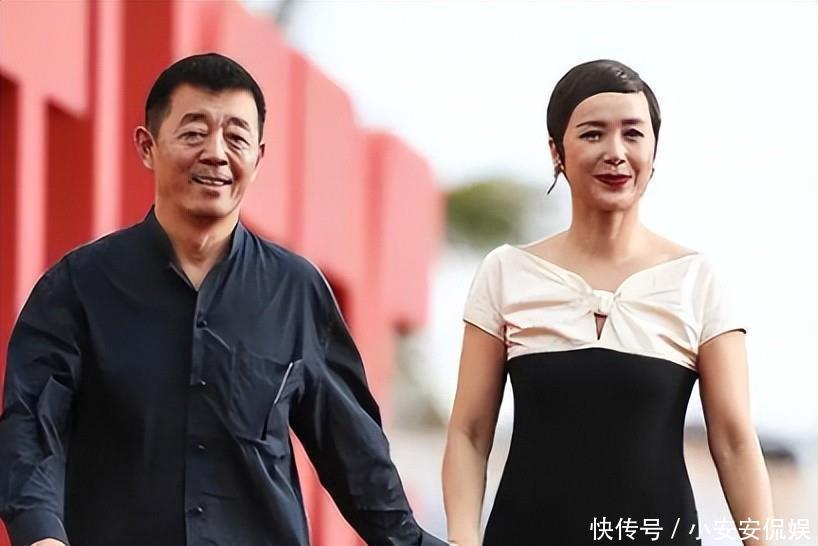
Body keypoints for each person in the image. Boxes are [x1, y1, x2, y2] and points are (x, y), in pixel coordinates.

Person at [0, 53, 445, 546]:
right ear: (147, 146)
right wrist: (41, 535)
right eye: (194, 133)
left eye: (236, 137)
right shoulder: (78, 286)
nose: (215, 153)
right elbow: (31, 429)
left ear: (258, 156)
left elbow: (357, 460)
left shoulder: (295, 291)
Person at [441, 59, 774, 545]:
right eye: (593, 134)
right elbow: (469, 433)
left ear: (654, 150)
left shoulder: (697, 280)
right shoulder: (506, 272)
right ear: (556, 151)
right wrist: (462, 538)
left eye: (633, 134)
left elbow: (735, 442)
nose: (615, 153)